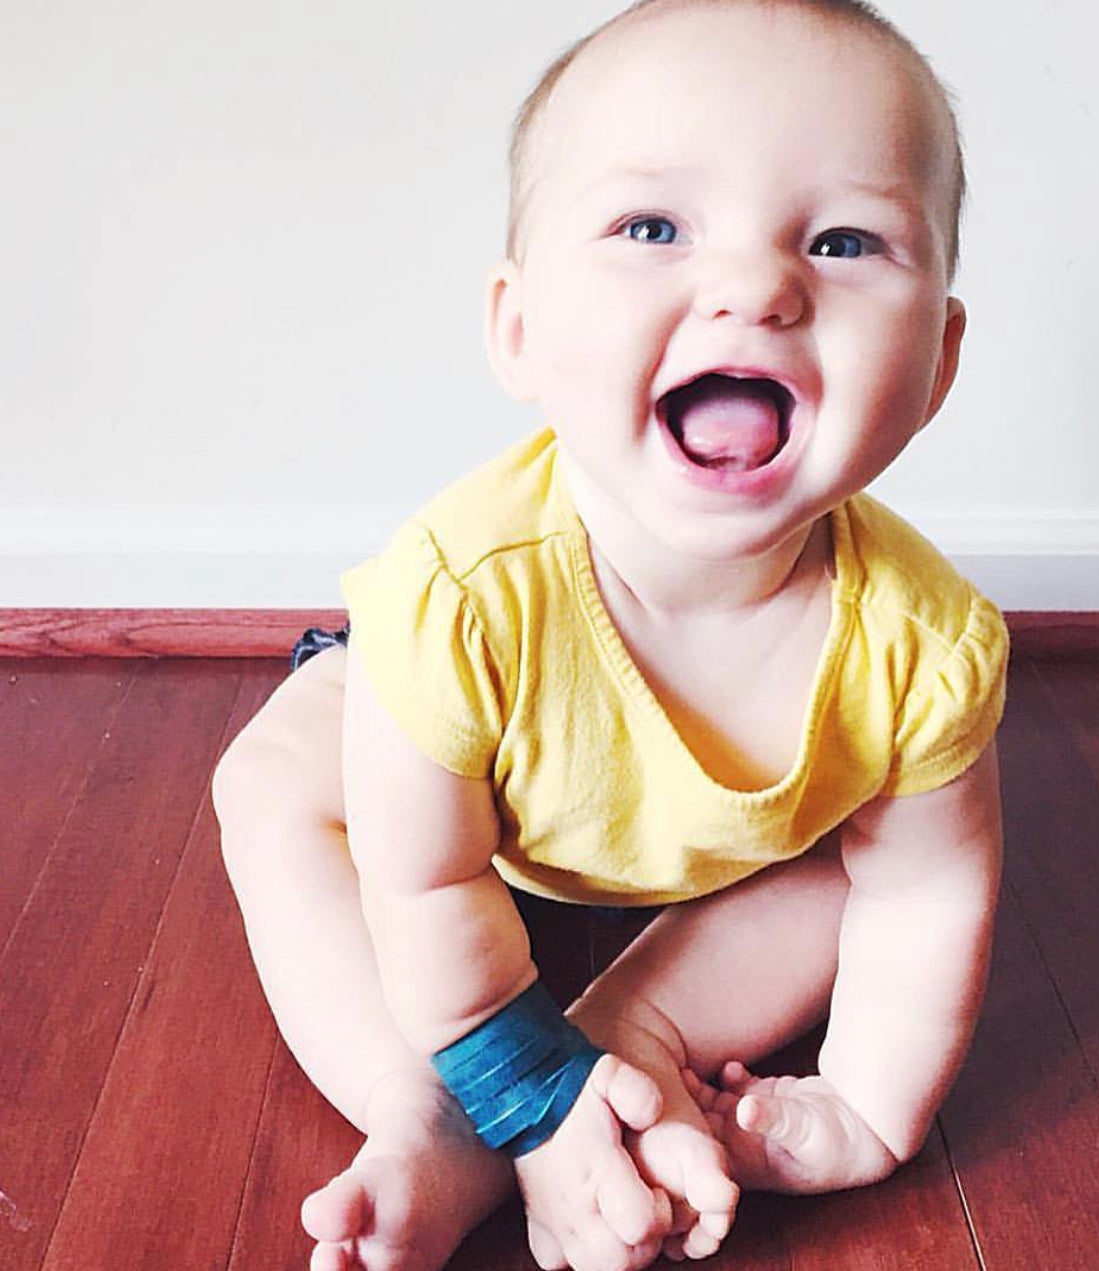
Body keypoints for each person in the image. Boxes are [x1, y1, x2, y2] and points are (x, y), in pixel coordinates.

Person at [212, 1, 1008, 1269]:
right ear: (517, 329)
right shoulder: (458, 592)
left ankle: (630, 1038)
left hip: (709, 851)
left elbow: (928, 890)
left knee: (854, 870)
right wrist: (514, 1092)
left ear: (938, 362)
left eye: (844, 239)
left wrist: (866, 1104)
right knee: (268, 783)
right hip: (446, 796)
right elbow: (424, 881)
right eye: (652, 228)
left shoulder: (924, 644)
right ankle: (428, 1111)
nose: (757, 285)